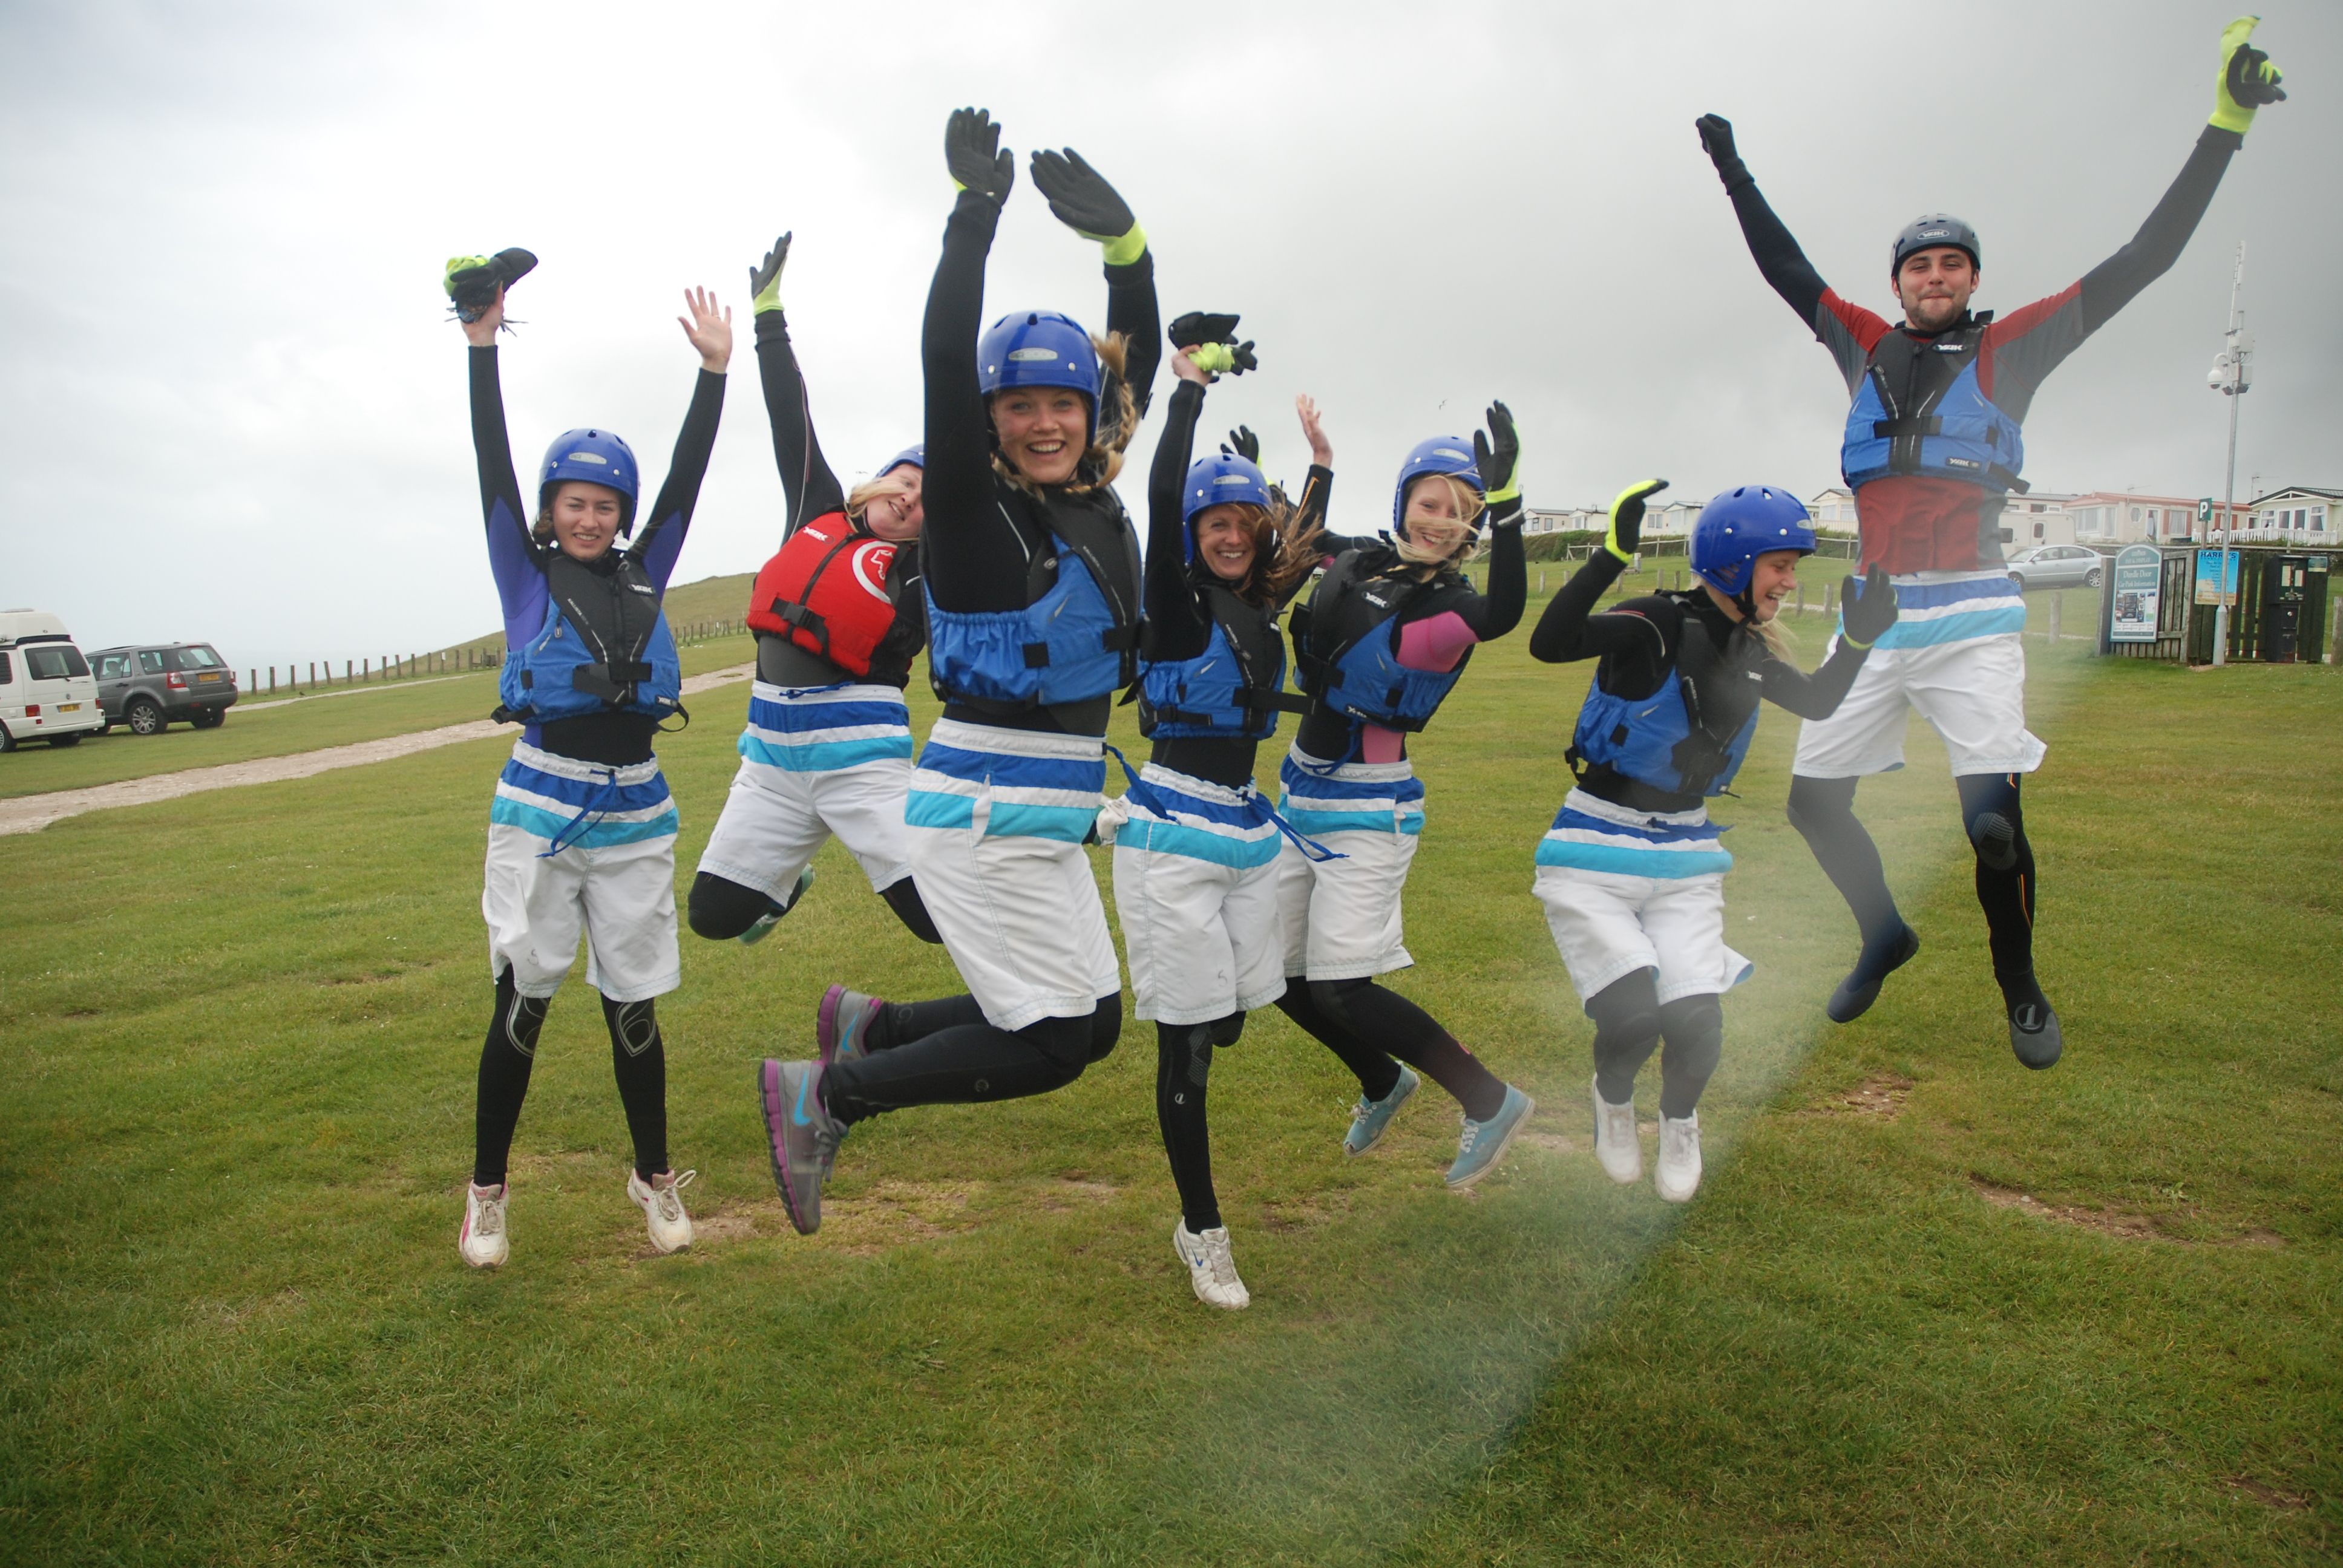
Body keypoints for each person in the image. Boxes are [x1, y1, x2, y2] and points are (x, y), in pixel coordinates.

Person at [1692, 16, 2287, 1067]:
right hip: (1872, 621)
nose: (1935, 275)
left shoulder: (2014, 347)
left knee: (1992, 825)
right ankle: (1884, 934)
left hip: (1971, 618)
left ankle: (2019, 986)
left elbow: (2144, 260)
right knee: (1812, 804)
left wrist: (2225, 125)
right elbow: (1785, 268)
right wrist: (1733, 171)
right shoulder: (1861, 345)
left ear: (1971, 279)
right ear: (1897, 282)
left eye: (1952, 264)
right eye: (1919, 264)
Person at [758, 109, 1160, 1235]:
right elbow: (945, 360)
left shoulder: (1087, 497)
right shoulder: (979, 523)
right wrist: (973, 218)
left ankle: (873, 1027)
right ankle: (826, 1093)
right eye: (1019, 406)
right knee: (1049, 1043)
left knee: (1093, 1027)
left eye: (1063, 403)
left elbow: (1132, 370)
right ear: (987, 422)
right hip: (981, 814)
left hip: (1039, 810)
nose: (1045, 422)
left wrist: (1128, 252)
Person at [447, 250, 730, 1267]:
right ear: (549, 507)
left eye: (605, 505)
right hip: (541, 806)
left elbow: (688, 479)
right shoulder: (523, 575)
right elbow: (490, 460)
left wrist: (714, 373)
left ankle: (653, 1175)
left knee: (633, 1004)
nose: (589, 517)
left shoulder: (647, 571)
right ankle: (487, 1192)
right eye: (573, 502)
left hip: (635, 810)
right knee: (523, 998)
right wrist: (483, 346)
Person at [1527, 482, 1898, 1201]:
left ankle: (1679, 1124)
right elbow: (1551, 644)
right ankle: (1611, 1100)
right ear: (1734, 563)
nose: (1789, 582)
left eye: (1792, 569)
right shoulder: (1656, 622)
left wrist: (1857, 641)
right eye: (1779, 566)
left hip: (1686, 856)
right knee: (1634, 1020)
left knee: (1696, 1019)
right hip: (1594, 848)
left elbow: (1818, 701)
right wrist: (1611, 556)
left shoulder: (1749, 652)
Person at [1109, 332, 1335, 1310]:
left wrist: (1321, 466)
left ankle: (1207, 1021)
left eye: (1245, 522)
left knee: (1236, 1016)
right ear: (1193, 529)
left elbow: (1300, 541)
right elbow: (1164, 490)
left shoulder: (1262, 605)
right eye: (1215, 522)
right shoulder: (1175, 602)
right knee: (1191, 1045)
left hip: (1244, 830)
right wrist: (1188, 392)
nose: (1232, 535)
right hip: (1171, 833)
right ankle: (1202, 1231)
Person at [1274, 405, 1537, 1190]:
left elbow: (1504, 613)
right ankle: (1383, 1080)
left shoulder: (1447, 610)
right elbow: (1299, 538)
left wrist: (1510, 503)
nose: (1439, 521)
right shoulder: (1360, 561)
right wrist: (1317, 463)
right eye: (1429, 502)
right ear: (1402, 502)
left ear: (1473, 528)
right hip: (1297, 794)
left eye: (1460, 512)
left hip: (1368, 810)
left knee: (1341, 987)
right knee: (1275, 974)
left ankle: (1490, 1100)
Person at [687, 231, 942, 950]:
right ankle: (786, 878)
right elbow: (787, 417)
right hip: (771, 756)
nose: (909, 500)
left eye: (927, 501)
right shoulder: (816, 509)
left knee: (938, 922)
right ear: (880, 480)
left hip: (860, 762)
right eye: (904, 482)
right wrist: (768, 317)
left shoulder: (924, 570)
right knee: (712, 919)